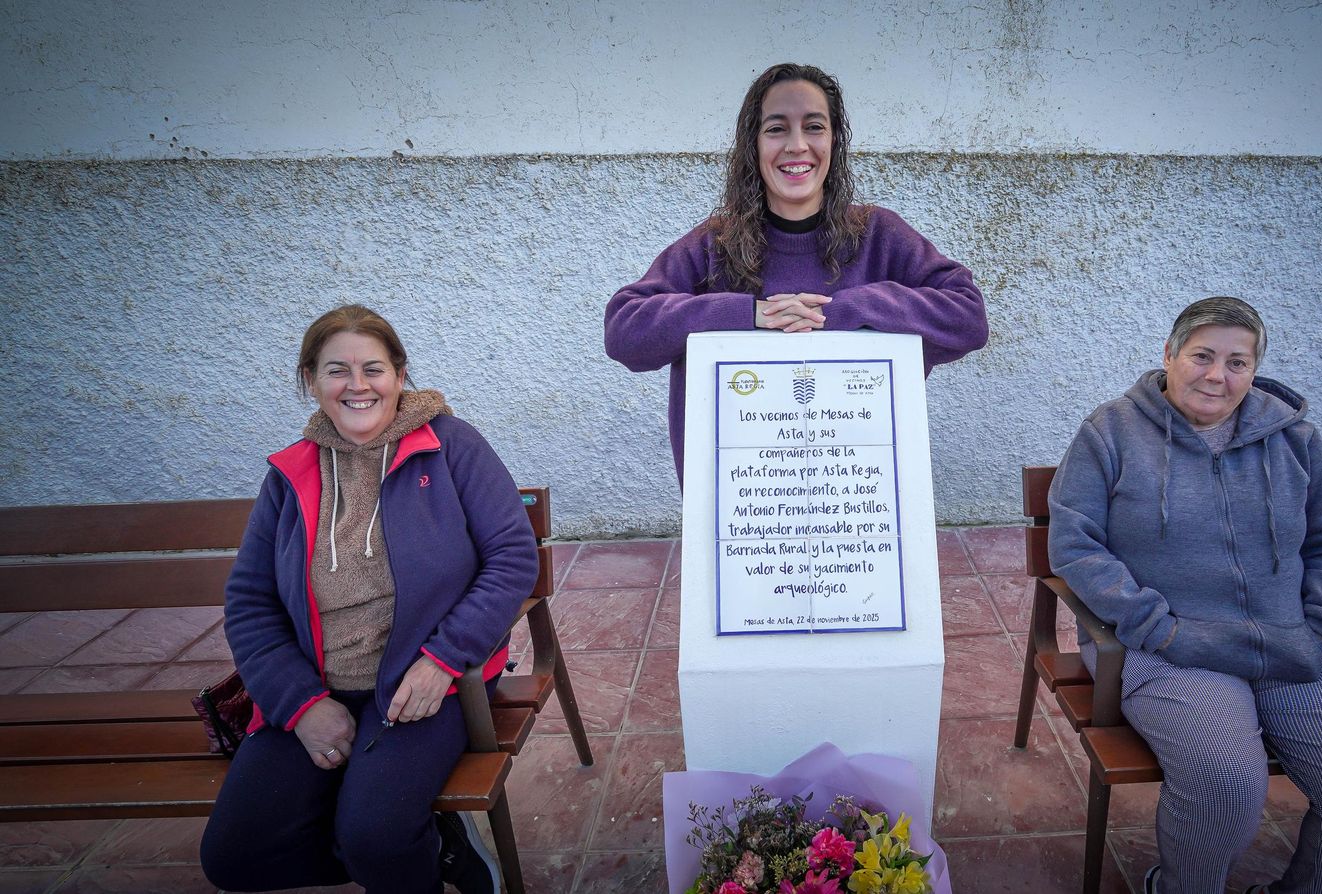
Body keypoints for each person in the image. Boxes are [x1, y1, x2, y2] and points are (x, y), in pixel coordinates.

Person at [1047, 297, 1322, 894]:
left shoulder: (1293, 437)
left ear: (1253, 370)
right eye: (1202, 356)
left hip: (1293, 644)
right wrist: (1157, 626)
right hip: (1169, 649)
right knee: (1225, 782)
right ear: (1169, 355)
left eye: (1237, 362)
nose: (1217, 376)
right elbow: (1076, 546)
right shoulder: (1110, 431)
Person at [201, 304, 537, 894]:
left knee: (376, 836)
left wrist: (442, 661)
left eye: (373, 369)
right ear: (310, 380)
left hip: (422, 686)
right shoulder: (290, 472)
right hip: (316, 684)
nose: (357, 386)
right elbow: (251, 602)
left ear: (400, 374)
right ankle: (434, 848)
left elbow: (512, 558)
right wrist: (301, 705)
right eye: (337, 370)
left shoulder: (451, 447)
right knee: (234, 856)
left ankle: (402, 851)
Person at [605, 62, 988, 481]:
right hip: (745, 508)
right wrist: (747, 314)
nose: (796, 145)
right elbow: (625, 330)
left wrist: (847, 310)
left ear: (834, 140)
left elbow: (967, 316)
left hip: (859, 504)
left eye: (814, 126)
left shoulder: (879, 235)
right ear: (752, 144)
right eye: (776, 128)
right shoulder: (716, 244)